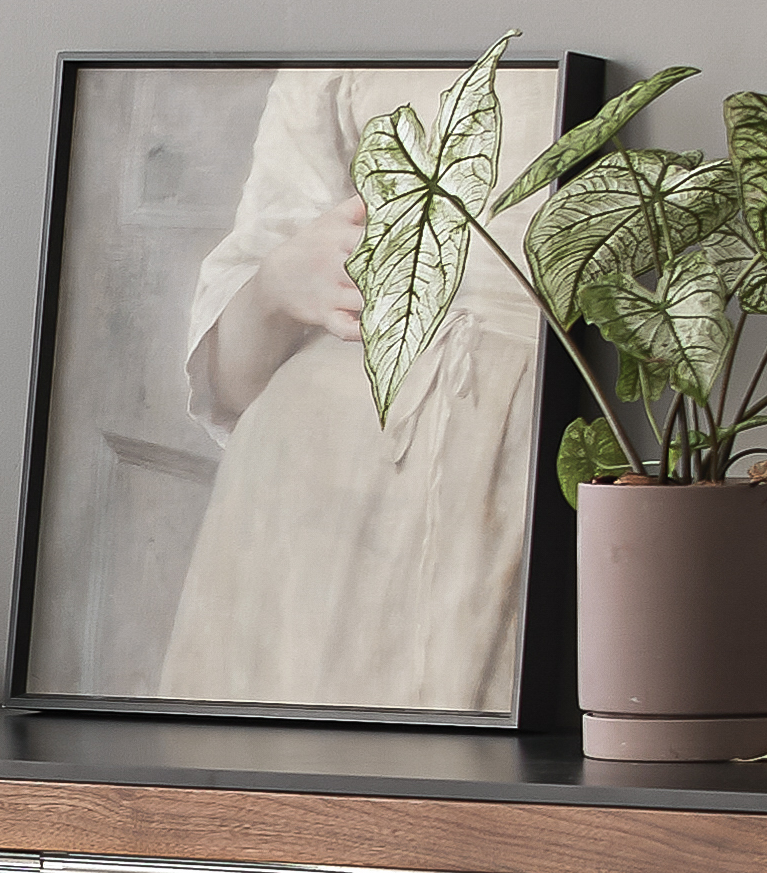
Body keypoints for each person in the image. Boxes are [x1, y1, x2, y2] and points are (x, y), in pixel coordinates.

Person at [155, 58, 558, 716]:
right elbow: (230, 385)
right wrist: (280, 281)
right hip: (300, 504)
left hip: (516, 472)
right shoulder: (352, 25)